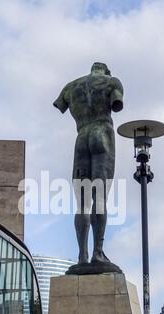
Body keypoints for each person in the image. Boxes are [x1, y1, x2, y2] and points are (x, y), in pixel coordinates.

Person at [54, 63, 124, 273]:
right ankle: (98, 252)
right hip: (101, 134)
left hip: (81, 137)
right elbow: (117, 102)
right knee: (100, 197)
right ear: (105, 71)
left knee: (82, 203)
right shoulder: (112, 82)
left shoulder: (70, 87)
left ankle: (82, 255)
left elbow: (60, 104)